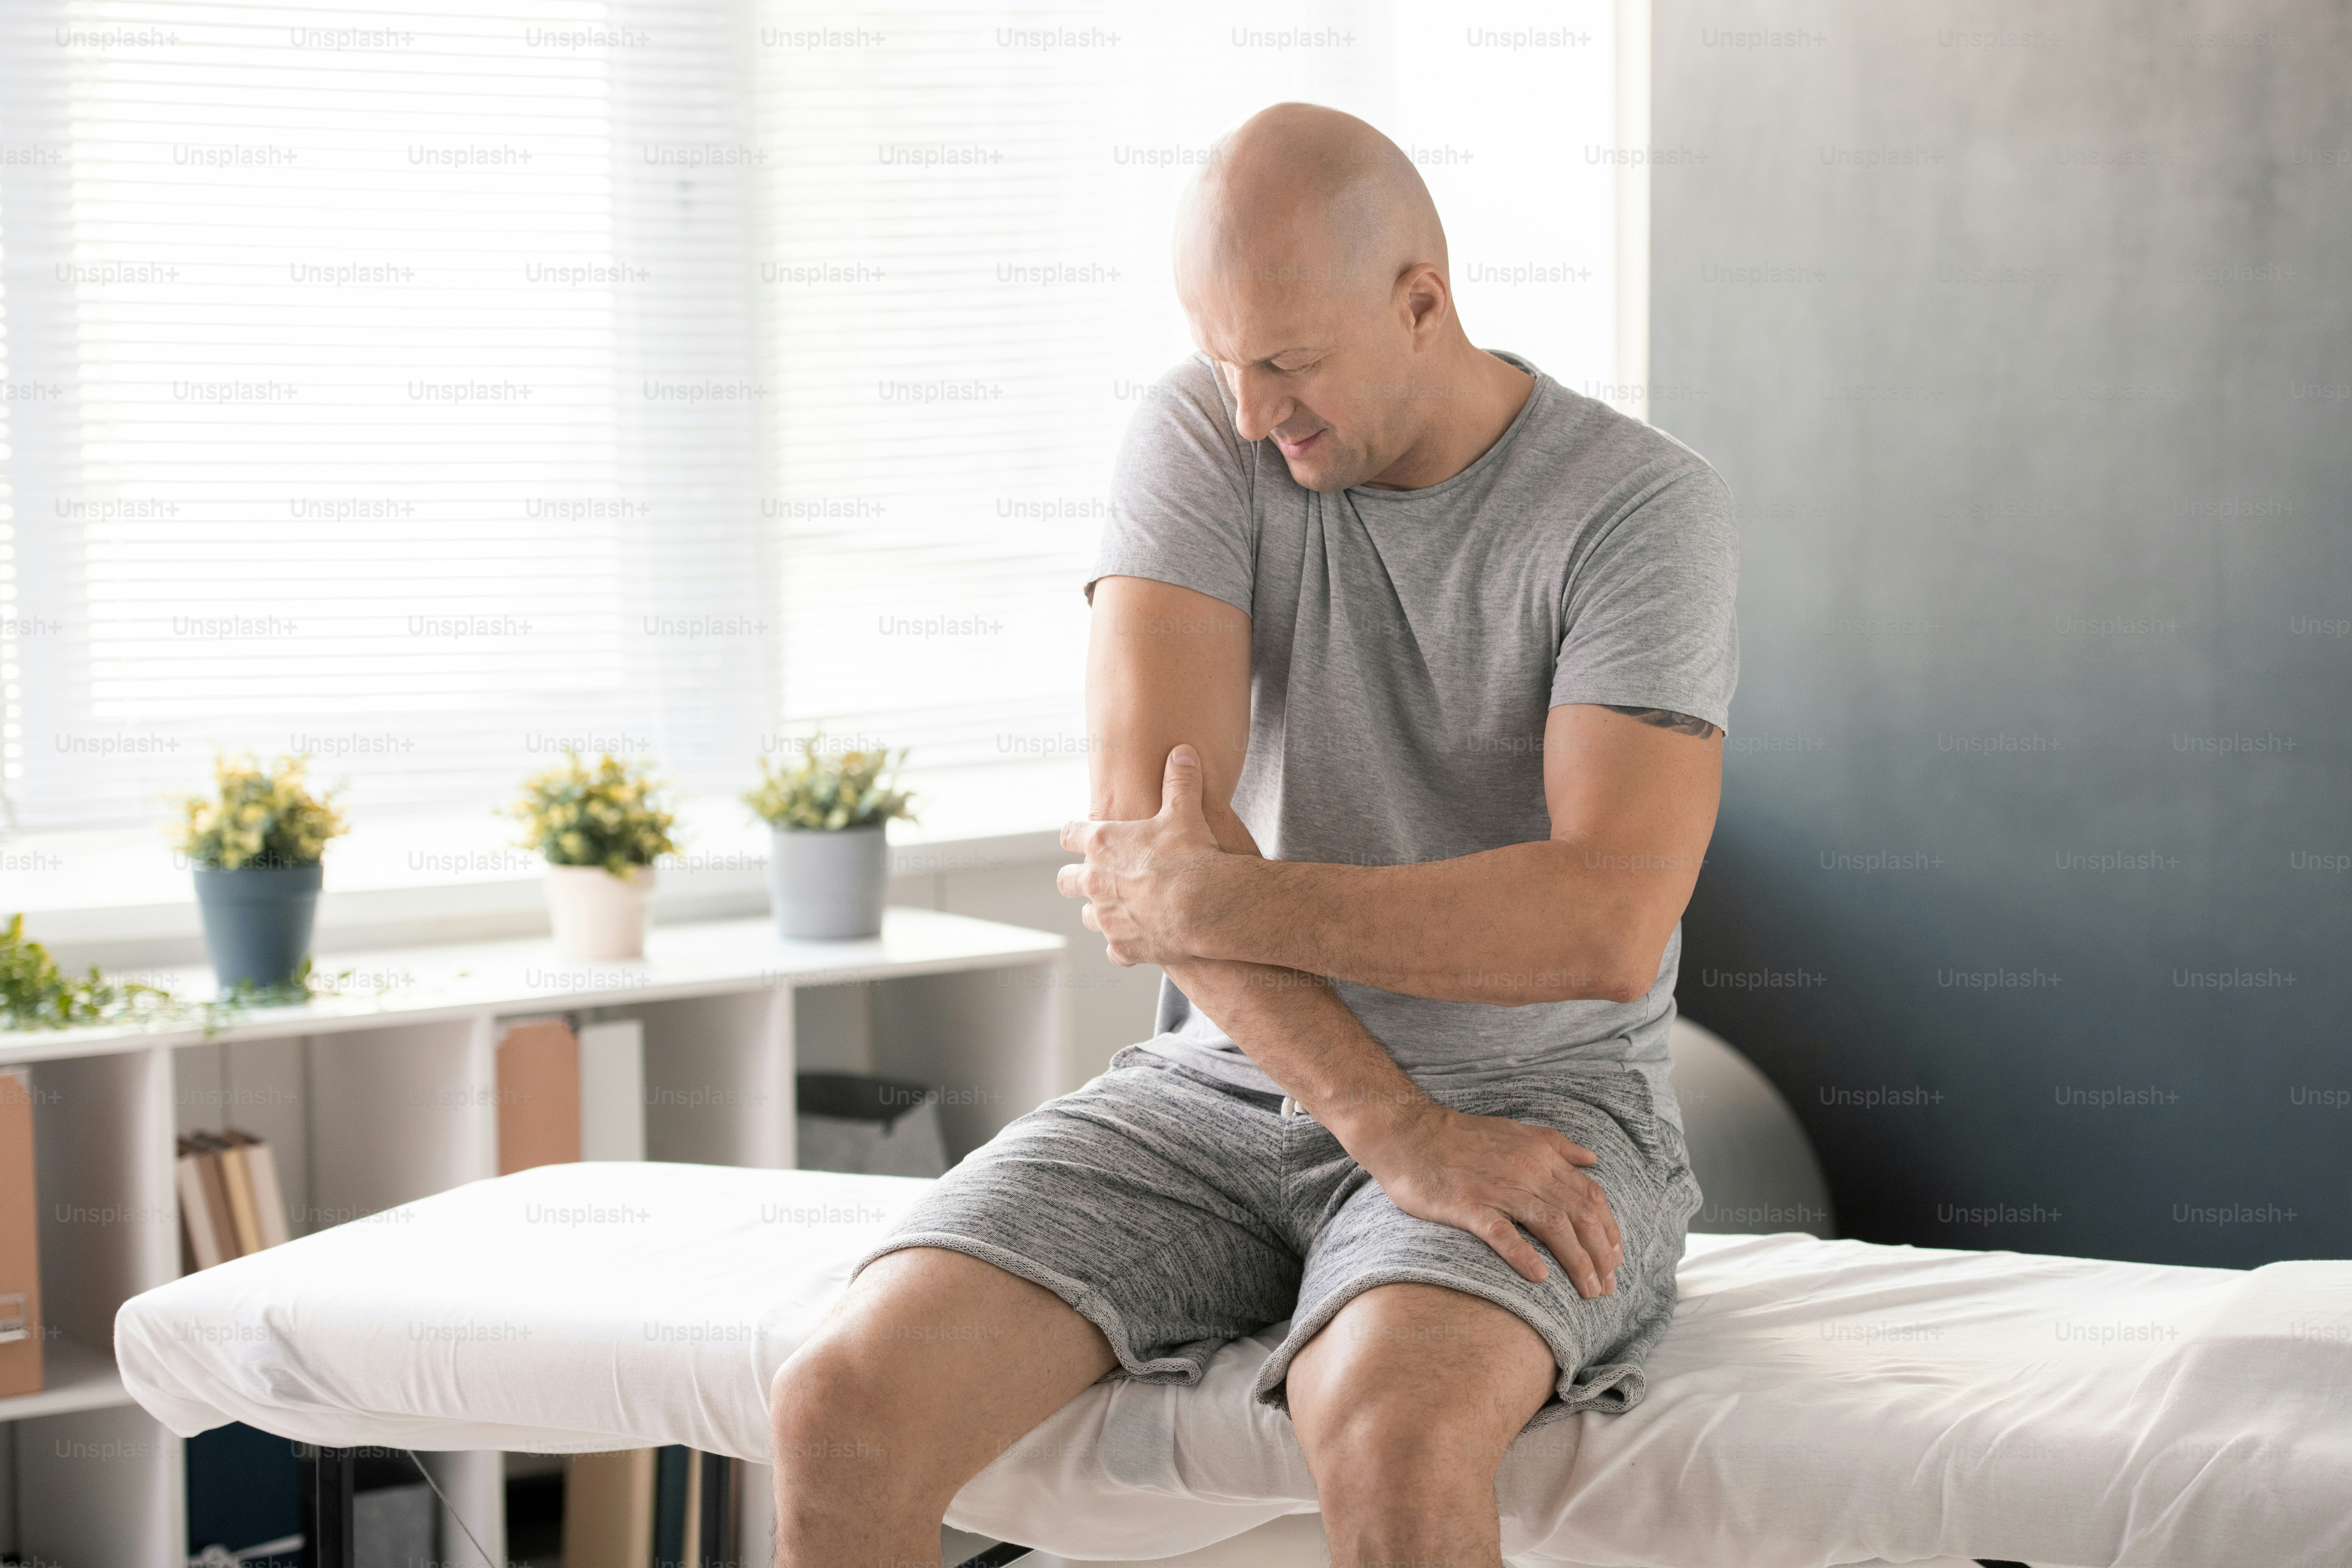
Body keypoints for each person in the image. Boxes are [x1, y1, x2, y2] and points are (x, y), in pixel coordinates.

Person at [768, 100, 1737, 1568]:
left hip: (1540, 1105)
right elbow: (1145, 843)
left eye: (1287, 362)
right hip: (1217, 1091)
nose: (1246, 411)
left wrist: (1215, 905)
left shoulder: (1638, 508)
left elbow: (1601, 924)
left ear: (1423, 302)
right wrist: (1388, 1124)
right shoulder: (1198, 434)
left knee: (1389, 1427)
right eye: (1222, 359)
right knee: (839, 1402)